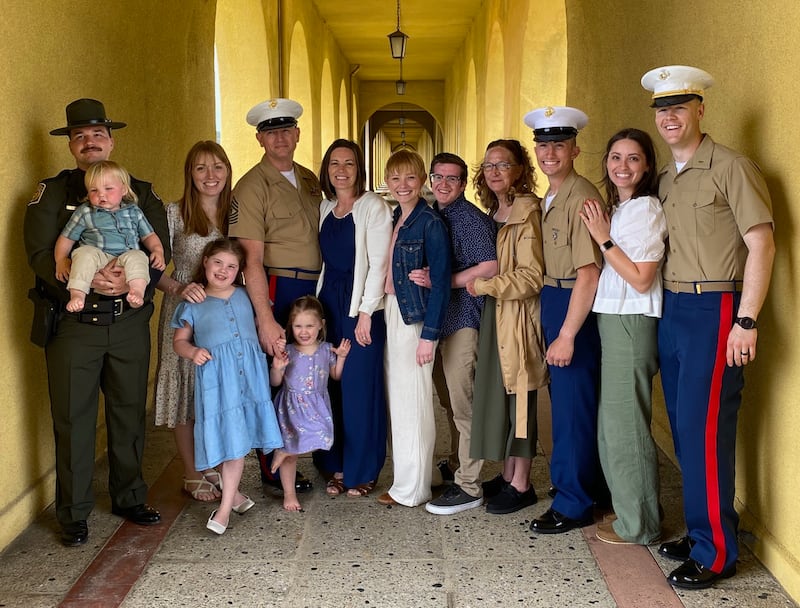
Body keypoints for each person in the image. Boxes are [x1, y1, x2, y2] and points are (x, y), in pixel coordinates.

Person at [641, 65, 775, 589]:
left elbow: (762, 243)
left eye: (679, 106)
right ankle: (704, 531)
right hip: (673, 310)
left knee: (707, 431)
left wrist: (747, 319)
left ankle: (717, 552)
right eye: (661, 109)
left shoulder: (732, 167)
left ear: (701, 110)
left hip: (717, 309)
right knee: (684, 428)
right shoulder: (667, 178)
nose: (669, 116)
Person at [24, 98, 169, 546]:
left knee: (128, 414)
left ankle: (128, 496)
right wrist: (89, 281)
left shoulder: (138, 191)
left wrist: (122, 279)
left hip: (127, 321)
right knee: (74, 419)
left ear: (111, 140)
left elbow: (158, 249)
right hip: (74, 327)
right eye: (80, 136)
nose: (90, 142)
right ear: (71, 146)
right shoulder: (54, 193)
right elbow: (39, 253)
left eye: (98, 134)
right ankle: (73, 512)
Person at [228, 97, 322, 494]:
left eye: (287, 129)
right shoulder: (250, 186)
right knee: (277, 379)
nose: (281, 137)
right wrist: (265, 318)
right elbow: (250, 257)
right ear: (260, 139)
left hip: (316, 287)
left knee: (309, 375)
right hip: (278, 286)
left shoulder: (311, 178)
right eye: (272, 132)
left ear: (298, 134)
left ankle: (310, 448)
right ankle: (273, 468)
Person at [579, 128, 667, 545]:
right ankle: (630, 511)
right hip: (614, 320)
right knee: (613, 424)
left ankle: (641, 525)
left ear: (647, 165)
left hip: (632, 321)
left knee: (627, 426)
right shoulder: (624, 206)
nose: (623, 166)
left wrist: (603, 238)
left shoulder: (646, 209)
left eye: (633, 158)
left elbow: (642, 278)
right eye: (616, 157)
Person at [524, 106, 606, 534]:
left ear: (575, 149)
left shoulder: (582, 196)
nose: (549, 152)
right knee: (568, 403)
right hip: (553, 296)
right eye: (543, 145)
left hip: (573, 301)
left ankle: (574, 503)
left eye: (558, 144)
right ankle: (585, 486)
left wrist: (568, 334)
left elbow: (589, 272)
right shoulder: (553, 194)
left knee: (573, 409)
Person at [172, 239, 283, 535]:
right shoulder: (192, 303)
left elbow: (263, 330)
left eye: (232, 266)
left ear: (240, 271)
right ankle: (232, 496)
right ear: (205, 261)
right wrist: (193, 352)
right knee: (224, 437)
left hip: (249, 378)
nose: (224, 270)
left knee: (235, 440)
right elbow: (179, 341)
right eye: (218, 263)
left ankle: (225, 507)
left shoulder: (247, 296)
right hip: (217, 381)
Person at [466, 140, 548, 515]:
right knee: (503, 394)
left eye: (503, 164)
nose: (494, 171)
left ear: (520, 169)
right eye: (488, 165)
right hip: (495, 314)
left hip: (516, 314)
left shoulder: (527, 211)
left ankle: (522, 483)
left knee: (522, 399)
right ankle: (508, 472)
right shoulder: (496, 209)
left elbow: (531, 276)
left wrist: (485, 285)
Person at [417, 152, 497, 515]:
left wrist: (443, 282)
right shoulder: (435, 214)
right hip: (440, 319)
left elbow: (490, 266)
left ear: (463, 184)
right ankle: (456, 463)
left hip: (464, 318)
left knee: (463, 403)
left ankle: (469, 485)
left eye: (452, 178)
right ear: (430, 180)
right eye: (439, 177)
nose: (444, 184)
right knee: (449, 399)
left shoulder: (469, 219)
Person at [153, 140, 232, 502]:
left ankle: (208, 462)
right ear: (190, 174)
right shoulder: (174, 213)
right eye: (201, 168)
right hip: (183, 310)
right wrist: (179, 288)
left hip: (223, 314)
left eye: (217, 166)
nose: (210, 175)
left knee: (213, 391)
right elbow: (151, 269)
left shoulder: (238, 211)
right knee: (185, 392)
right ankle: (190, 472)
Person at [313, 139, 391, 497]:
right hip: (328, 304)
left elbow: (378, 264)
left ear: (360, 169)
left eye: (349, 164)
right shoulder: (325, 207)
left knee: (359, 389)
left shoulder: (372, 206)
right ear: (326, 169)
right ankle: (335, 464)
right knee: (330, 386)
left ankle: (363, 469)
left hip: (361, 308)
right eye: (334, 164)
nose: (341, 170)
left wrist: (365, 313)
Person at [378, 150, 451, 508]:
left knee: (414, 402)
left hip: (416, 319)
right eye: (394, 178)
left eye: (409, 178)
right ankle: (420, 476)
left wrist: (429, 335)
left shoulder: (429, 222)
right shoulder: (396, 216)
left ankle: (412, 489)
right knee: (400, 399)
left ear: (421, 179)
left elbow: (439, 283)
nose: (402, 185)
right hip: (395, 311)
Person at [270, 296, 351, 510]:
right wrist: (277, 367)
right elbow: (275, 382)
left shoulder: (326, 349)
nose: (303, 332)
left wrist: (341, 357)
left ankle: (284, 451)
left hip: (316, 405)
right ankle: (289, 494)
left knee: (324, 434)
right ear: (291, 326)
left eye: (309, 326)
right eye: (298, 326)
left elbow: (335, 375)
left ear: (321, 325)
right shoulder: (288, 350)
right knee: (292, 452)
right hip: (291, 406)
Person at [55, 160, 166, 312]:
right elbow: (66, 238)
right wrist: (61, 259)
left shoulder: (133, 211)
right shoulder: (85, 212)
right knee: (83, 253)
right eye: (94, 190)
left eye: (108, 189)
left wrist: (157, 250)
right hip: (97, 260)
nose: (101, 195)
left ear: (124, 189)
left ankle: (137, 291)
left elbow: (149, 235)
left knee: (139, 256)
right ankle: (77, 295)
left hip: (125, 261)